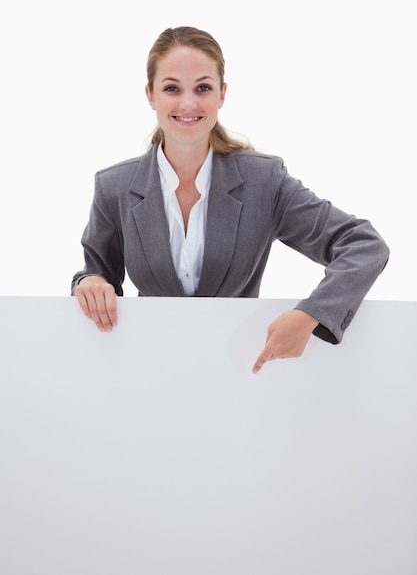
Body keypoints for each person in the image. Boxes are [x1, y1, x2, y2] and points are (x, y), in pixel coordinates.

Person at [72, 26, 389, 373]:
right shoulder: (113, 186)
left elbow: (363, 245)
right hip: (149, 370)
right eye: (171, 88)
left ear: (222, 95)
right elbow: (96, 274)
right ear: (150, 95)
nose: (188, 103)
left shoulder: (263, 181)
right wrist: (90, 283)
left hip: (240, 371)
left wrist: (311, 314)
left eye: (203, 88)